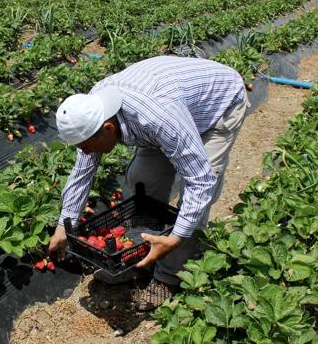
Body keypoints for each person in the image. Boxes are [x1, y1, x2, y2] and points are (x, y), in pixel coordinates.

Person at [48, 55, 248, 308]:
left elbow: (201, 179)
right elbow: (82, 173)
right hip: (173, 114)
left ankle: (169, 276)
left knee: (194, 197)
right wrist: (63, 226)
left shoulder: (156, 116)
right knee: (144, 178)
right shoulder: (91, 114)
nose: (86, 152)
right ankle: (142, 253)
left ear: (108, 128)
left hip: (217, 108)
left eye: (87, 147)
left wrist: (175, 238)